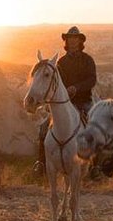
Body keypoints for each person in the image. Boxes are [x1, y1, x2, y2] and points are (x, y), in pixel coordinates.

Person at [33, 26, 97, 176]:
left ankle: (95, 166)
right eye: (70, 38)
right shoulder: (60, 62)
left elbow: (92, 80)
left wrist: (77, 87)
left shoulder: (88, 60)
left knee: (94, 128)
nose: (73, 41)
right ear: (66, 41)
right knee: (43, 128)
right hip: (65, 103)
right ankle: (41, 163)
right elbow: (55, 83)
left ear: (80, 41)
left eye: (75, 38)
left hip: (83, 101)